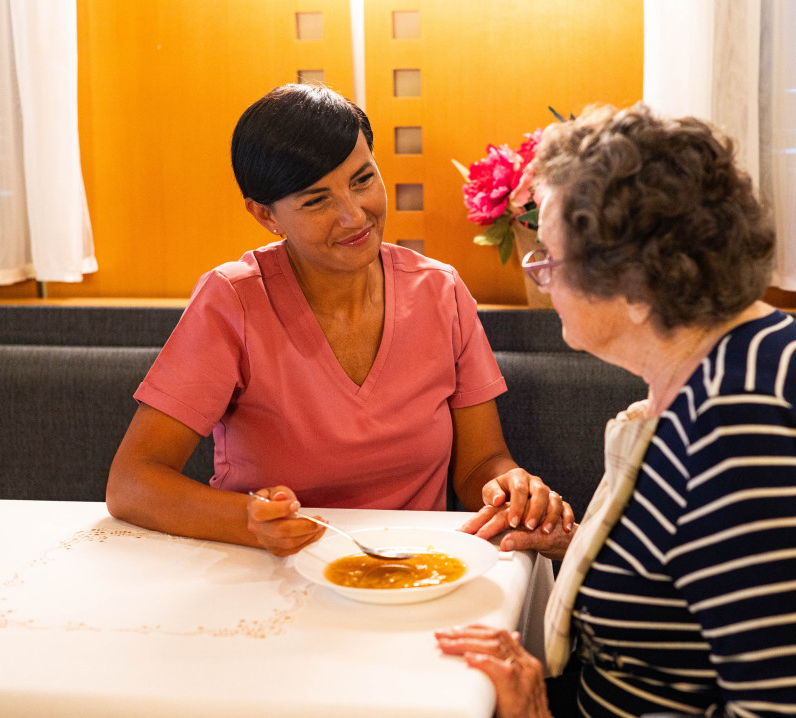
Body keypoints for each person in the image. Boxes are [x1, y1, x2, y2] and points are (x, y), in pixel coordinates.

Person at [437, 105, 796, 717]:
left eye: (549, 258)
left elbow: (790, 708)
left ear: (637, 286)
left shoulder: (738, 434)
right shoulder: (761, 340)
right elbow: (700, 563)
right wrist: (584, 543)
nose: (540, 278)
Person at [107, 84, 572, 556]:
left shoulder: (440, 292)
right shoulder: (233, 301)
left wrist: (510, 487)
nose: (354, 215)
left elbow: (480, 465)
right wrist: (250, 523)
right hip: (269, 567)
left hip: (412, 566)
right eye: (316, 201)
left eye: (363, 179)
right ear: (266, 215)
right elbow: (132, 481)